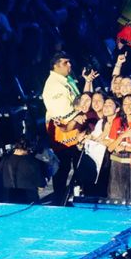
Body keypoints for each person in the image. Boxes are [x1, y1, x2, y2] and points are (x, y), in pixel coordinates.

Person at [42, 52, 84, 201]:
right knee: (63, 165)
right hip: (63, 127)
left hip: (74, 124)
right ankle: (59, 196)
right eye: (66, 63)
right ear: (56, 65)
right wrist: (77, 116)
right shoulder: (54, 84)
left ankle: (72, 193)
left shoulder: (66, 80)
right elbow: (62, 110)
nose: (70, 65)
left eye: (69, 62)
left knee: (75, 163)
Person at [0, 138, 46, 204]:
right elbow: (41, 185)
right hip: (28, 200)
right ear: (28, 148)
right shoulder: (33, 162)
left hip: (7, 199)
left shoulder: (3, 161)